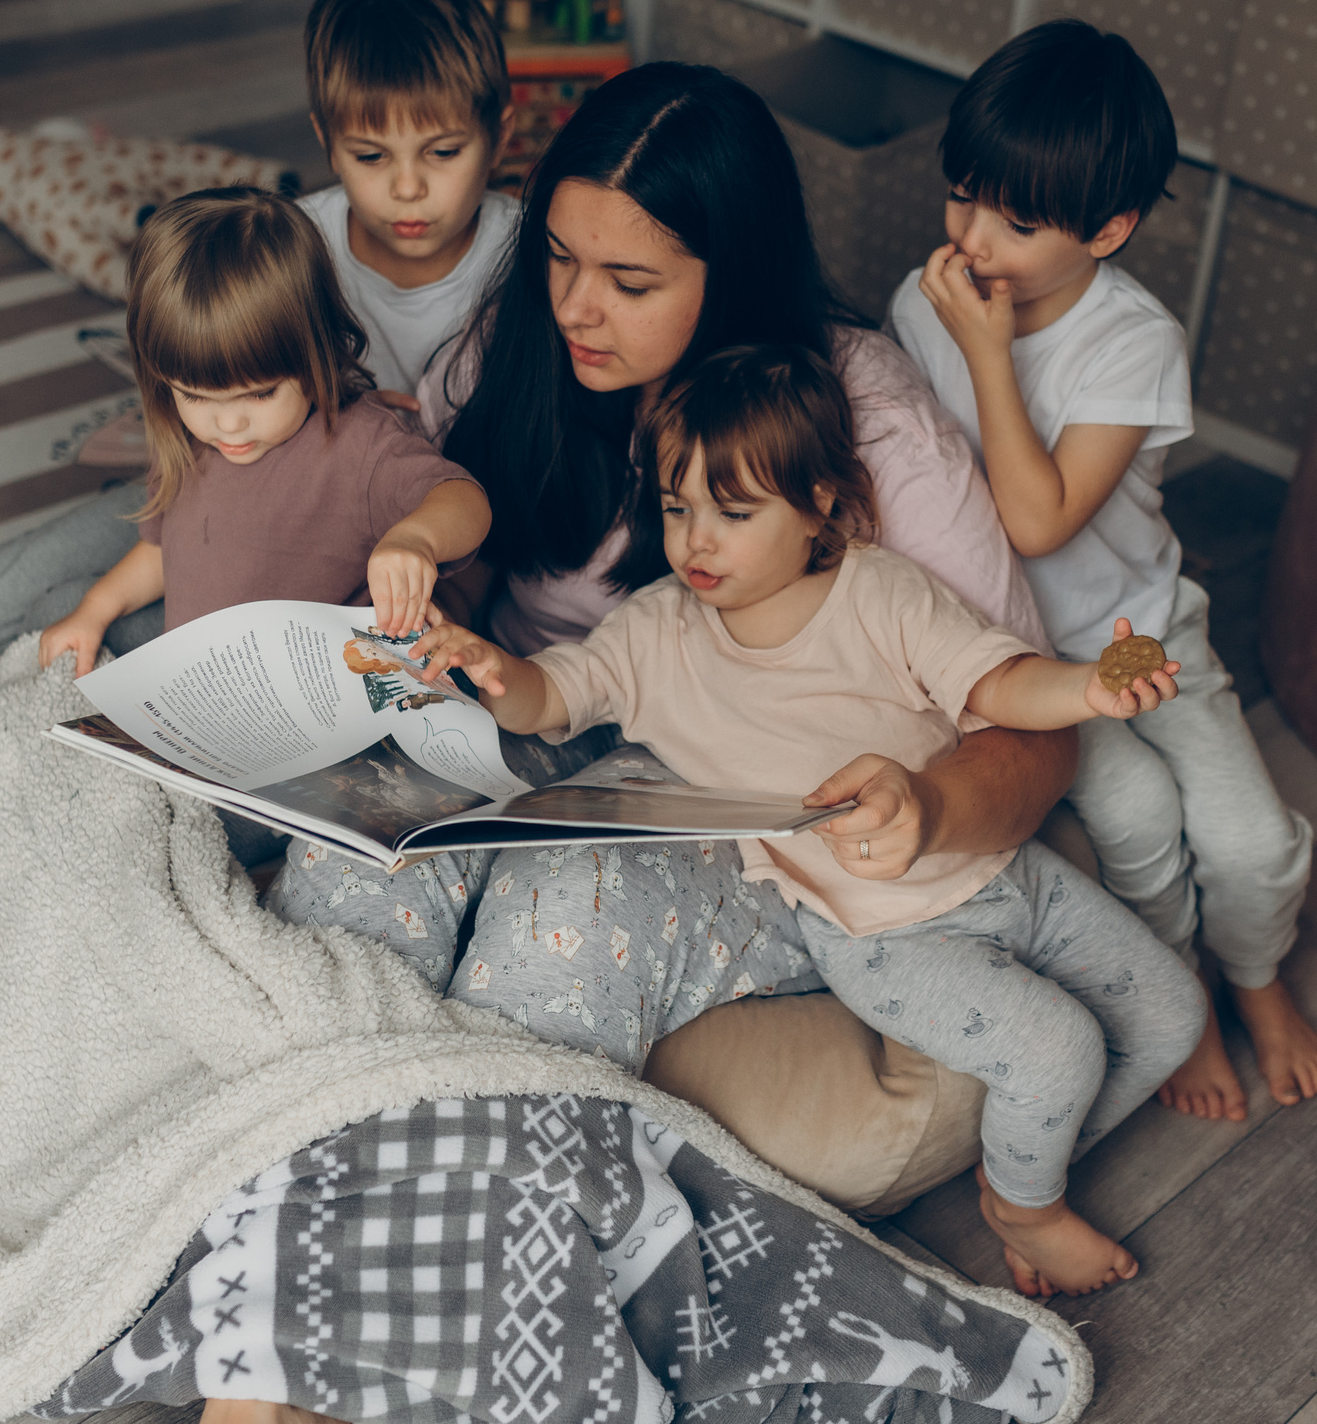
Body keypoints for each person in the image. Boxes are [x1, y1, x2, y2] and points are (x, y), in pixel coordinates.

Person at [267, 61, 1078, 1075]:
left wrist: (930, 810)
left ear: (730, 276)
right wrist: (420, 618)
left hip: (735, 791)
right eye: (559, 259)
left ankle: (461, 1169)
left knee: (555, 922)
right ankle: (282, 1116)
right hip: (538, 702)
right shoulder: (523, 341)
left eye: (631, 283)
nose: (576, 310)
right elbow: (465, 543)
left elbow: (1032, 734)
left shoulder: (872, 425)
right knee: (350, 882)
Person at [413, 345, 1202, 1297]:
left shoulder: (882, 590)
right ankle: (1024, 1206)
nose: (697, 541)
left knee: (1172, 1013)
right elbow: (554, 696)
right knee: (1062, 1046)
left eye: (734, 513)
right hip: (881, 934)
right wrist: (492, 671)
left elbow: (997, 681)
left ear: (822, 504)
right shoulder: (655, 634)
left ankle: (1026, 1151)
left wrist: (1091, 687)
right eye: (676, 507)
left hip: (1003, 869)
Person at [0, 0, 518, 766]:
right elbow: (204, 397)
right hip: (219, 478)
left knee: (127, 640)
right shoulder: (287, 243)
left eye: (441, 152)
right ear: (325, 141)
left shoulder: (527, 264)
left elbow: (475, 492)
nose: (408, 189)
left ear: (498, 135)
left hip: (352, 533)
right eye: (371, 157)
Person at [890, 18, 1317, 1123]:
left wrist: (990, 355)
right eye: (962, 196)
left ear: (1111, 228)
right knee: (1133, 814)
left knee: (1250, 834)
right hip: (1020, 648)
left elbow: (1039, 517)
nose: (975, 239)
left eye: (1020, 220)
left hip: (1138, 630)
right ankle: (1178, 986)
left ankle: (1258, 978)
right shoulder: (924, 303)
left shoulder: (1130, 340)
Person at [0, 188, 490, 776]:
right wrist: (95, 610)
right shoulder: (194, 436)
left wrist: (416, 539)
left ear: (317, 347)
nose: (228, 422)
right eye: (195, 395)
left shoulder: (362, 444)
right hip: (185, 659)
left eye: (260, 393)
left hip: (276, 711)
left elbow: (465, 499)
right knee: (59, 618)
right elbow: (162, 545)